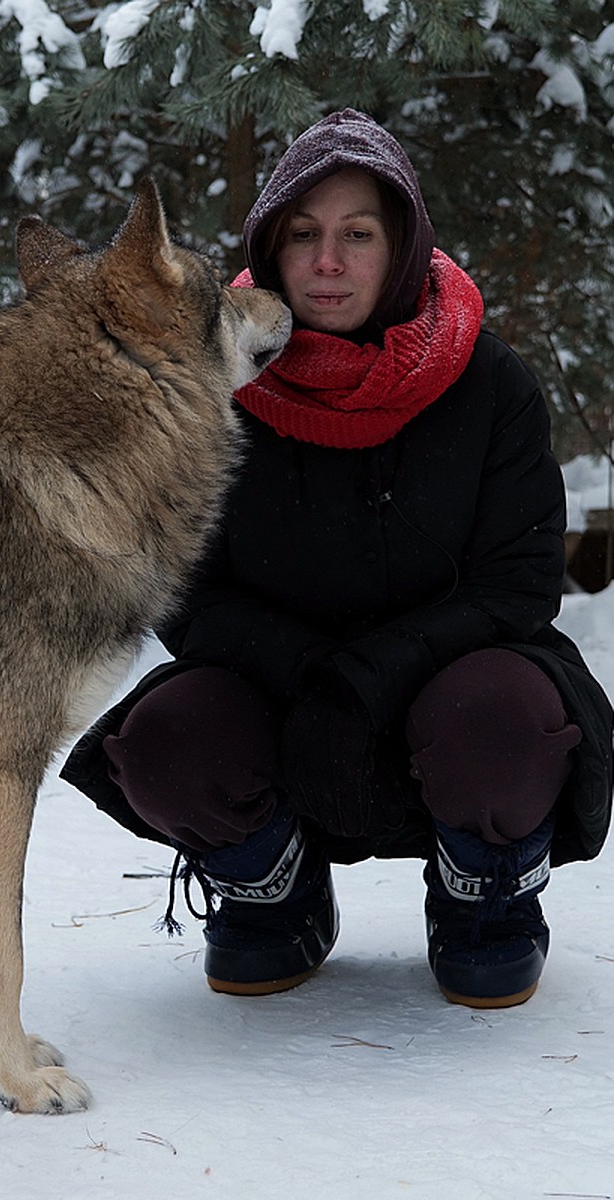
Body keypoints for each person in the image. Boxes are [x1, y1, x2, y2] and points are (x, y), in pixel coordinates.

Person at [62, 109, 613, 1008]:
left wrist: (372, 673)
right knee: (164, 739)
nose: (328, 262)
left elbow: (517, 583)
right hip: (278, 688)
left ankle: (486, 900)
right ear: (270, 250)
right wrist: (313, 671)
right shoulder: (208, 385)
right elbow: (184, 587)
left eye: (358, 235)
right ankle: (270, 896)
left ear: (400, 249)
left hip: (454, 679)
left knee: (506, 720)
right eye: (305, 235)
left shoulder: (490, 380)